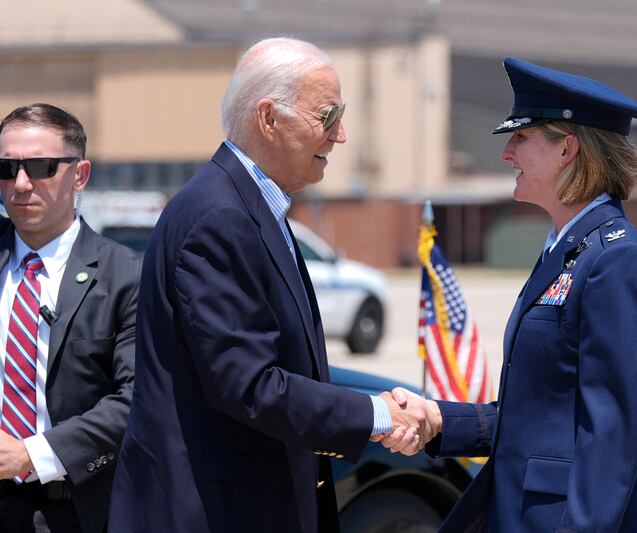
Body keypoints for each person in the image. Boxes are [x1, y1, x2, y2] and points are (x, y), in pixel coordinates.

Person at [107, 38, 428, 533]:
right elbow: (250, 385)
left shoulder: (245, 206)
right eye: (327, 115)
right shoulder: (220, 216)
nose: (340, 135)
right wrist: (376, 414)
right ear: (268, 118)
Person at [383, 57, 637, 532]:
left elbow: (612, 437)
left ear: (567, 150)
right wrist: (439, 419)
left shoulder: (618, 261)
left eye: (521, 137)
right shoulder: (566, 249)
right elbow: (537, 417)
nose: (506, 154)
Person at [0, 103, 140, 533]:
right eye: (7, 168)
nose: (21, 184)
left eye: (41, 167)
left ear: (79, 175)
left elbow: (136, 397)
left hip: (73, 511)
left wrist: (32, 455)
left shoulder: (125, 275)